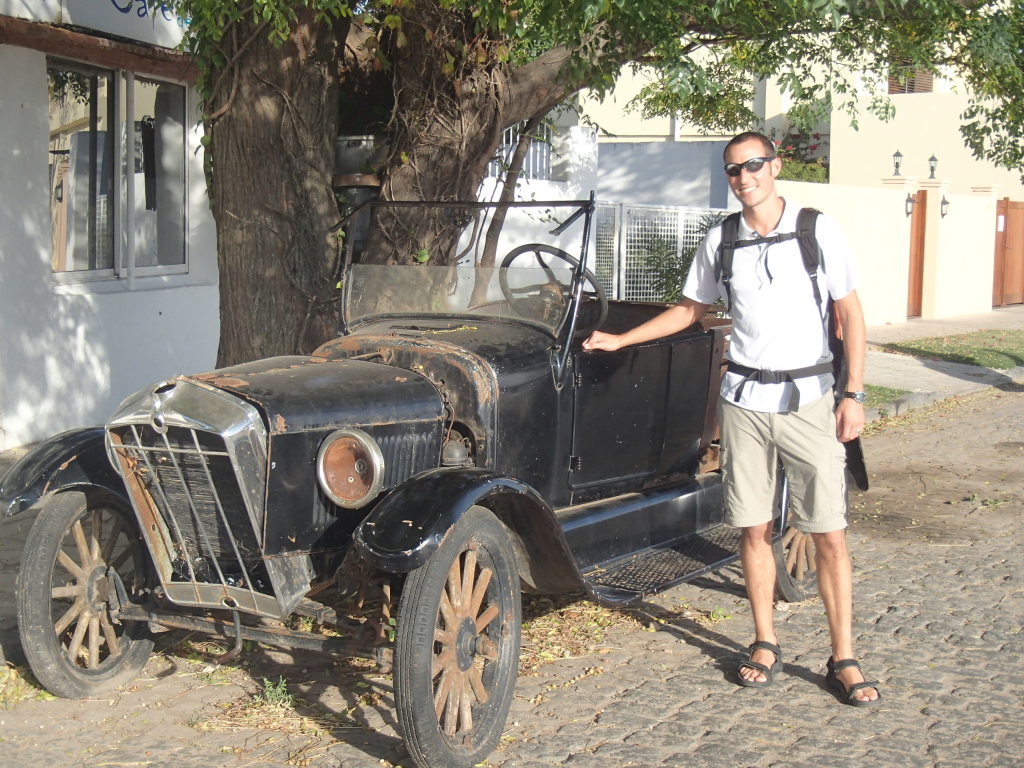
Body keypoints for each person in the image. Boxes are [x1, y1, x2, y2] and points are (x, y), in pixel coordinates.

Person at [583, 131, 880, 706]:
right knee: (752, 528)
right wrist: (621, 340)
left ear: (775, 166)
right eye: (733, 170)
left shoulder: (818, 229)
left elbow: (851, 314)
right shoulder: (722, 240)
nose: (744, 178)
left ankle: (843, 655)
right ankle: (764, 641)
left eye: (753, 166)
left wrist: (855, 394)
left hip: (810, 399)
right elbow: (689, 310)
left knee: (829, 534)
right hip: (744, 402)